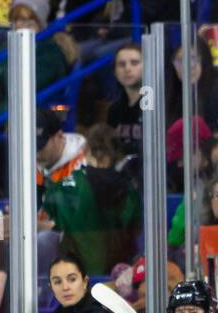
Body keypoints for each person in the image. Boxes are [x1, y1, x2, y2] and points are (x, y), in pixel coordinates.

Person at [37, 109, 141, 275]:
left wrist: (37, 226)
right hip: (86, 254)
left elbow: (81, 225)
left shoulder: (87, 175)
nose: (36, 152)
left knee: (44, 240)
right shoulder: (31, 167)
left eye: (41, 145)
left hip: (101, 257)